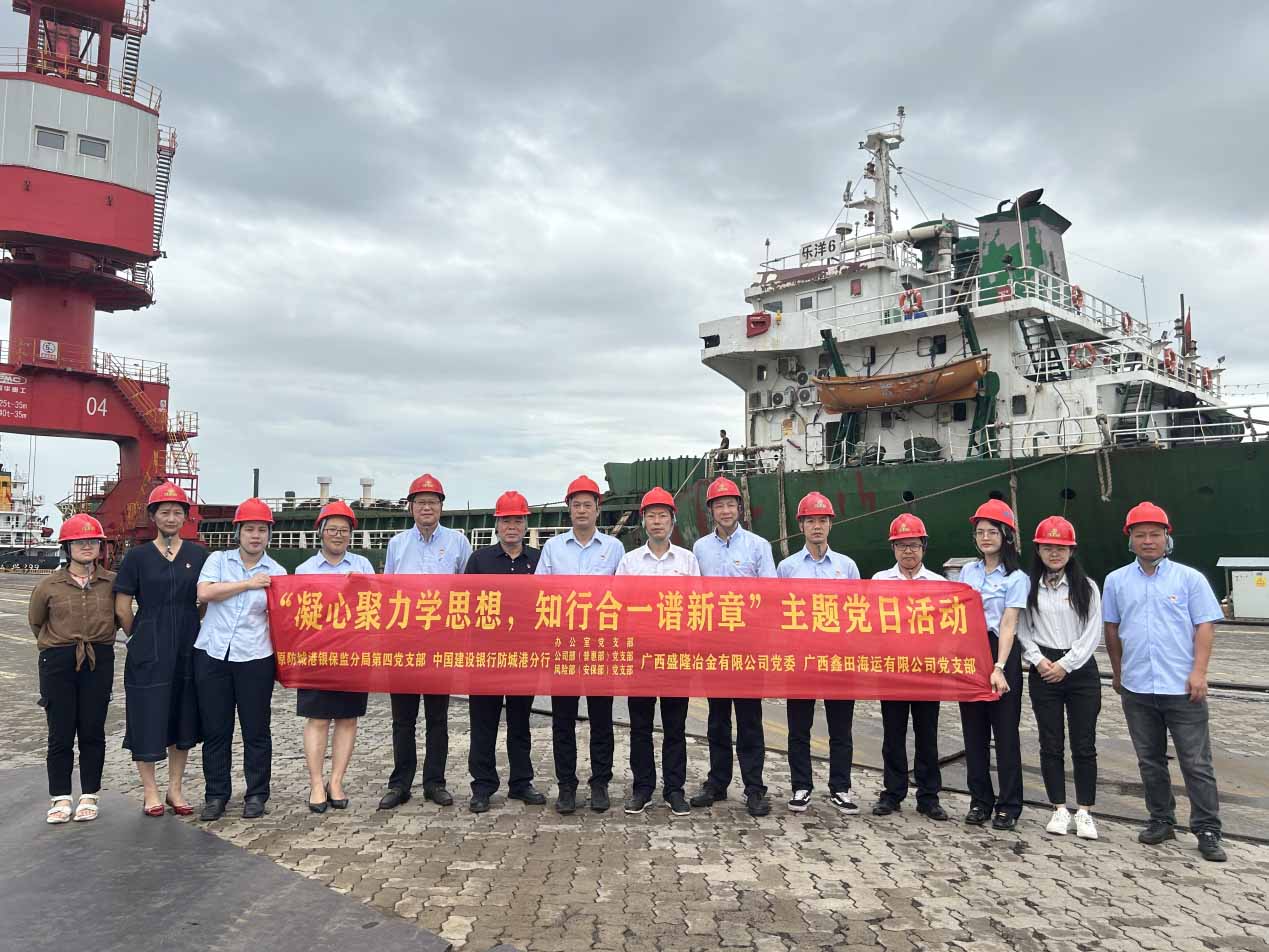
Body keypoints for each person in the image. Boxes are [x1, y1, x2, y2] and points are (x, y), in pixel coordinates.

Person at [1103, 502, 1227, 862]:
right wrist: (1119, 672)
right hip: (1138, 689)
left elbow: (1204, 626)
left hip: (1182, 689)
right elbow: (1111, 629)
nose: (1148, 541)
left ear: (1166, 537)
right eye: (1140, 535)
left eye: (1155, 534)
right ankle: (1161, 819)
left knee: (1196, 763)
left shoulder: (1189, 579)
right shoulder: (1116, 581)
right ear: (1130, 540)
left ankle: (1207, 828)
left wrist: (1199, 672)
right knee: (1150, 760)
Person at [113, 482, 209, 817]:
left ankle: (175, 789)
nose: (171, 517)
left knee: (183, 715)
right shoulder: (137, 557)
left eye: (177, 512)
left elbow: (205, 601)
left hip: (187, 642)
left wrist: (191, 623)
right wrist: (139, 636)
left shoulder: (198, 555)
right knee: (147, 715)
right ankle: (150, 791)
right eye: (164, 512)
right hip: (149, 643)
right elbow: (122, 606)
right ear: (153, 516)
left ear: (185, 517)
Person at [379, 473, 473, 811]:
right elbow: (387, 591)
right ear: (411, 507)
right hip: (403, 642)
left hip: (440, 642)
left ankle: (435, 783)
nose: (427, 508)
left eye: (433, 502)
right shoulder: (397, 544)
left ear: (441, 507)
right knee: (402, 719)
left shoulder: (459, 542)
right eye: (420, 502)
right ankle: (400, 784)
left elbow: (468, 589)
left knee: (437, 718)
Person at [194, 498, 288, 821]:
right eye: (249, 529)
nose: (255, 536)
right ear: (238, 532)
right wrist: (248, 583)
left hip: (255, 657)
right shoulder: (218, 560)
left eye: (262, 530)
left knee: (256, 730)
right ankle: (216, 795)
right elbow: (205, 593)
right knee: (216, 729)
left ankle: (257, 794)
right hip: (213, 654)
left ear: (269, 534)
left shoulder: (277, 573)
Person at [536, 474, 625, 814]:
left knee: (602, 719)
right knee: (563, 720)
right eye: (577, 505)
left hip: (601, 645)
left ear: (597, 509)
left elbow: (625, 596)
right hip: (565, 644)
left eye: (588, 504)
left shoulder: (614, 548)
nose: (582, 510)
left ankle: (600, 783)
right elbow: (539, 592)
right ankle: (566, 786)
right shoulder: (553, 548)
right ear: (569, 509)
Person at [690, 476, 777, 817]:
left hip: (748, 646)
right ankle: (717, 782)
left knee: (750, 718)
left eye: (730, 504)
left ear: (739, 508)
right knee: (717, 719)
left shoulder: (758, 546)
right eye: (719, 505)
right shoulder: (700, 548)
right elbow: (694, 595)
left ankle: (754, 788)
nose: (725, 511)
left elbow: (770, 595)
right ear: (710, 511)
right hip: (714, 645)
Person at [28, 514, 118, 824]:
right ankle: (60, 797)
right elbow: (36, 622)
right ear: (67, 547)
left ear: (100, 546)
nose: (86, 546)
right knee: (60, 732)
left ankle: (90, 794)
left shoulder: (112, 583)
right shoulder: (48, 585)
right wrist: (60, 646)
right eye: (79, 542)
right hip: (58, 660)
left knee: (92, 730)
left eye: (92, 541)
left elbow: (120, 618)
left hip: (98, 659)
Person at [616, 487, 700, 817]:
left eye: (663, 515)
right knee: (640, 726)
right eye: (651, 516)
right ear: (643, 521)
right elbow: (619, 605)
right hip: (641, 654)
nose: (657, 522)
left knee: (675, 726)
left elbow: (696, 606)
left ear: (672, 520)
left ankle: (674, 789)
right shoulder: (630, 561)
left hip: (676, 653)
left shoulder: (687, 560)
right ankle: (642, 788)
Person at [1018, 516, 1103, 840]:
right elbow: (1022, 629)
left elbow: (1092, 631)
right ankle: (1058, 808)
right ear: (1038, 550)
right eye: (1048, 547)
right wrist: (1039, 660)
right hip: (1043, 669)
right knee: (1050, 741)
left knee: (1084, 743)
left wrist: (1066, 664)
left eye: (1061, 548)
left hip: (1080, 671)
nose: (1054, 553)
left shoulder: (1087, 587)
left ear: (1072, 551)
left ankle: (1085, 811)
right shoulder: (1028, 588)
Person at [776, 492, 860, 814]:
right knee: (799, 727)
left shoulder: (846, 566)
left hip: (838, 657)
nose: (817, 526)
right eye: (810, 521)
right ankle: (801, 786)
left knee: (841, 728)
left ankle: (841, 788)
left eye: (822, 520)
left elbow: (857, 611)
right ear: (801, 525)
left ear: (830, 525)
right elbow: (778, 613)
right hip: (801, 658)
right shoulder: (787, 568)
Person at [465, 490, 547, 813]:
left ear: (526, 524)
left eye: (517, 520)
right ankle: (482, 786)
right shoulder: (479, 560)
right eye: (506, 521)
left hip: (525, 656)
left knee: (520, 722)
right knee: (483, 724)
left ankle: (521, 782)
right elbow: (466, 605)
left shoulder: (539, 561)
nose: (512, 526)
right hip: (486, 657)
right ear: (496, 525)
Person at [295, 500, 374, 813]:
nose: (338, 535)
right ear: (321, 532)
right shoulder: (305, 570)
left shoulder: (363, 566)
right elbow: (296, 614)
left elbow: (376, 606)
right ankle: (316, 783)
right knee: (317, 719)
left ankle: (337, 781)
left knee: (347, 719)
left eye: (344, 530)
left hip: (352, 653)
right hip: (316, 654)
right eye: (332, 529)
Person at [871, 514, 949, 821]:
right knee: (893, 734)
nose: (908, 551)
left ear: (923, 547)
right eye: (901, 545)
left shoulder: (940, 585)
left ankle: (929, 797)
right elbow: (870, 623)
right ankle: (892, 793)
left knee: (927, 734)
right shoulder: (879, 581)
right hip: (892, 669)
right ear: (893, 548)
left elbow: (949, 629)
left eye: (914, 545)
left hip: (927, 671)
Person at [958, 499, 1029, 830]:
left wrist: (999, 666)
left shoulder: (1017, 577)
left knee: (1005, 733)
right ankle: (980, 801)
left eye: (992, 531)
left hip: (1001, 652)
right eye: (980, 532)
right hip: (970, 653)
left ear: (1006, 536)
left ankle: (1009, 805)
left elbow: (1009, 624)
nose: (985, 537)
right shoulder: (967, 572)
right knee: (973, 732)